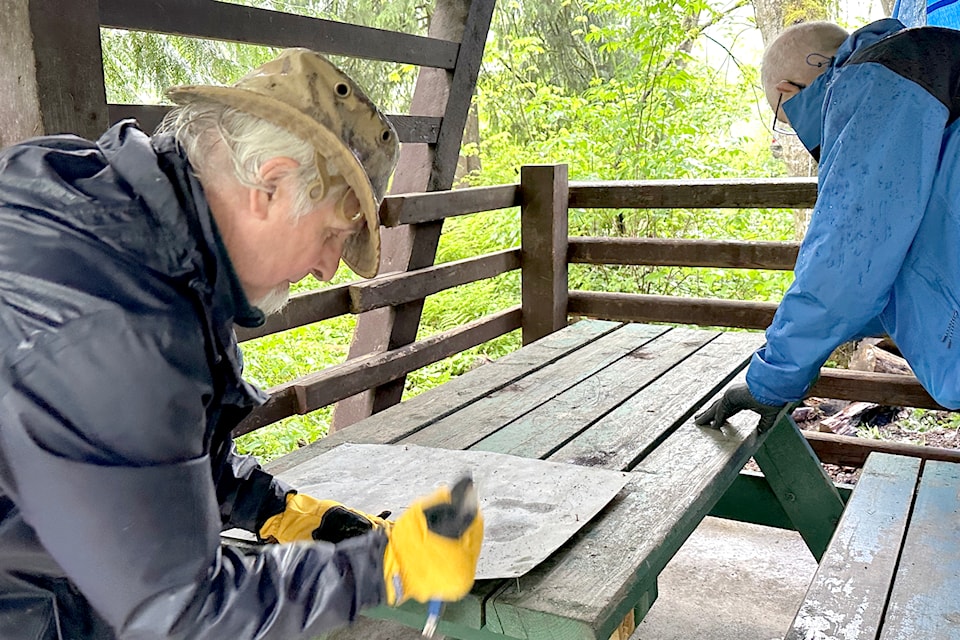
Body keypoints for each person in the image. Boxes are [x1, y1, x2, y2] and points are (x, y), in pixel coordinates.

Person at [0, 49, 482, 639]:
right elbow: (180, 613)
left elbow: (138, 454)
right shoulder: (122, 321)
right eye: (333, 234)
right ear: (271, 184)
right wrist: (385, 567)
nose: (330, 269)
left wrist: (273, 509)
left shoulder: (127, 234)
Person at [696, 18, 960, 432]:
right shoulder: (921, 65)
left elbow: (846, 266)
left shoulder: (876, 84)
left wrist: (772, 379)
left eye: (783, 119)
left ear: (787, 92)